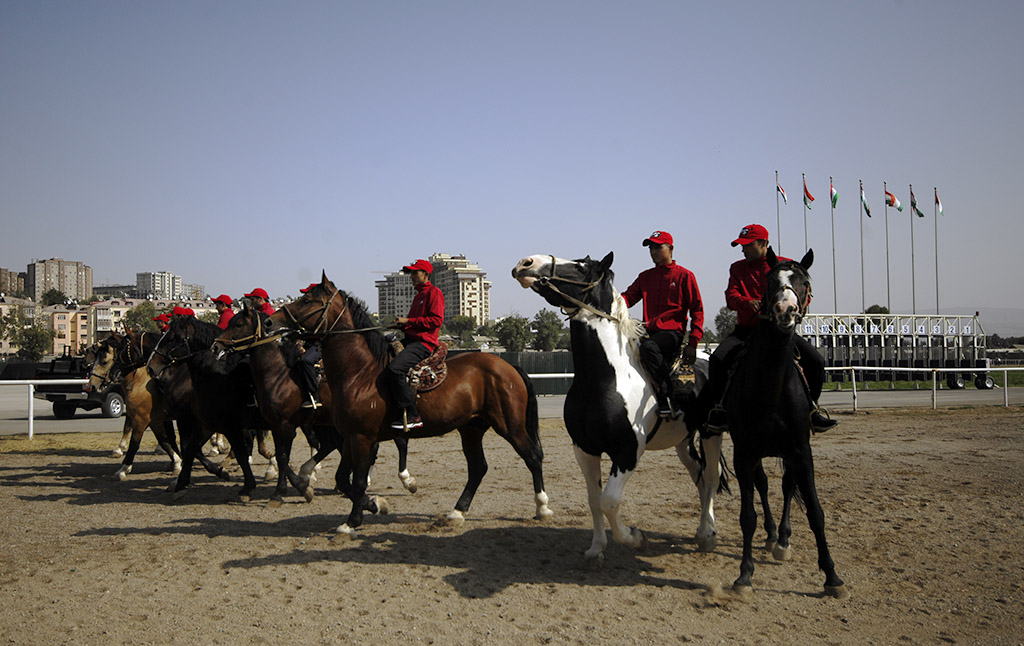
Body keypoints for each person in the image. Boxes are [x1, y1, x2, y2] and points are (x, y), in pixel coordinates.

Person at [700, 224, 836, 432]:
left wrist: (797, 308)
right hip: (746, 331)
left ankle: (813, 410)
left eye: (748, 245)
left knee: (816, 361)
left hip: (778, 332)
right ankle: (720, 409)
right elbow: (731, 297)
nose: (743, 249)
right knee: (718, 359)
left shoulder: (785, 266)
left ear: (764, 243)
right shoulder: (737, 268)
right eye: (741, 245)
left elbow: (803, 293)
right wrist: (746, 302)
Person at [621, 230, 704, 417]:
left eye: (658, 247)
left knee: (648, 348)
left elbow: (697, 310)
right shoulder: (645, 277)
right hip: (648, 331)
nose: (653, 251)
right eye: (651, 248)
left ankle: (669, 395)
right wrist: (608, 301)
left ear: (671, 249)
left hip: (672, 333)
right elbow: (627, 298)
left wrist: (693, 342)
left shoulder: (685, 275)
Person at [384, 259, 444, 430]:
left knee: (395, 369)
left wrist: (408, 321)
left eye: (415, 272)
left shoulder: (434, 292)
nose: (411, 276)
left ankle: (413, 415)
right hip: (411, 340)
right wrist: (402, 326)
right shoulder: (419, 295)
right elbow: (417, 323)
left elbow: (436, 321)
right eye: (411, 273)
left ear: (426, 274)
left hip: (424, 344)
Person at [296, 283, 322, 409]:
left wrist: (301, 336)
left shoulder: (320, 313)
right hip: (309, 344)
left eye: (307, 293)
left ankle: (314, 395)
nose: (305, 296)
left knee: (306, 360)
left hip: (320, 345)